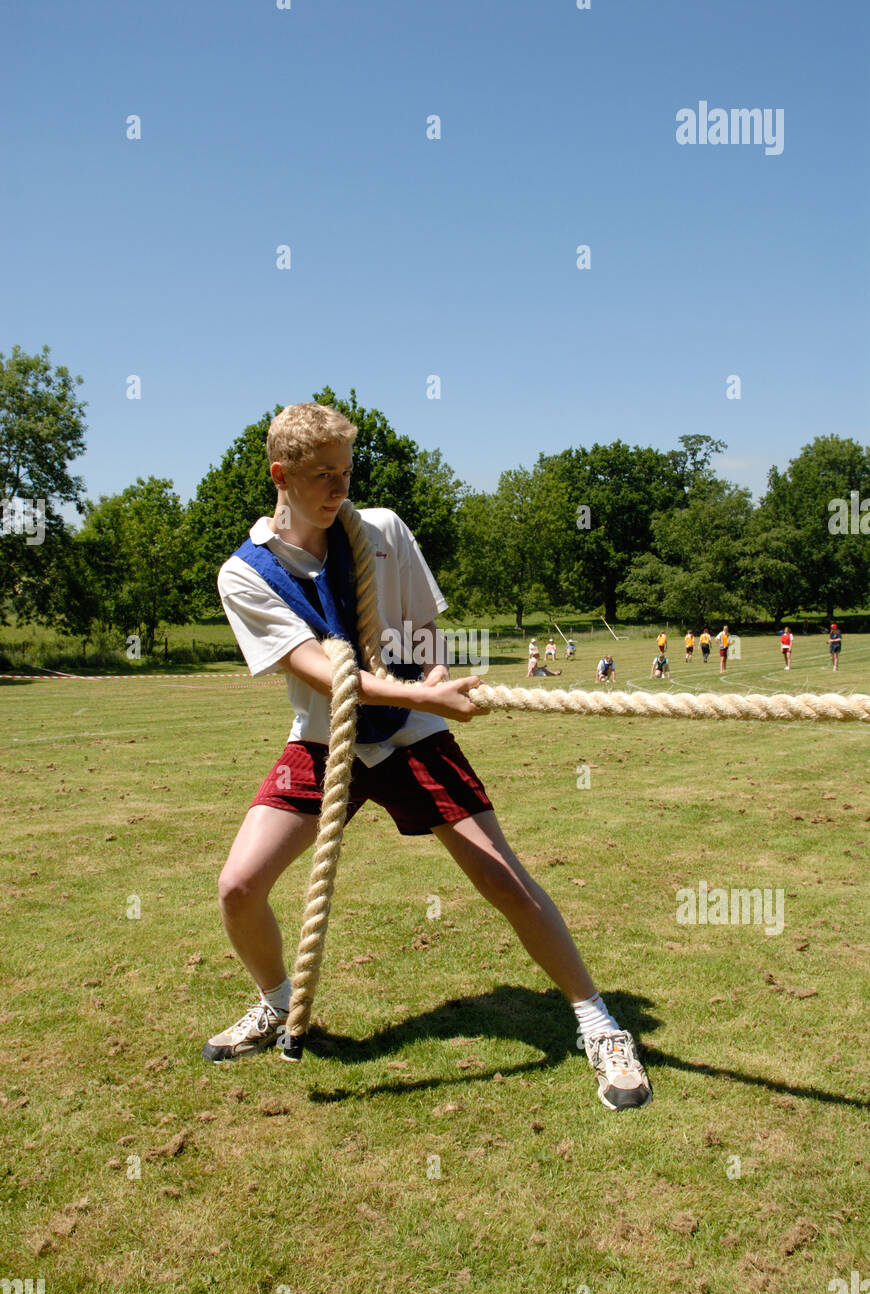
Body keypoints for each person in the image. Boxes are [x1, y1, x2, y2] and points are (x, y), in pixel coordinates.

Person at [209, 404, 650, 1111]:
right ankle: (276, 1002)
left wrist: (435, 684)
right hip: (327, 739)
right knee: (238, 887)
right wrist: (431, 697)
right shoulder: (246, 574)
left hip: (412, 731)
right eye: (323, 475)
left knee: (503, 879)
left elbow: (421, 630)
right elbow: (322, 674)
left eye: (347, 472)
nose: (339, 488)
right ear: (279, 475)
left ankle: (598, 1024)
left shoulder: (380, 530)